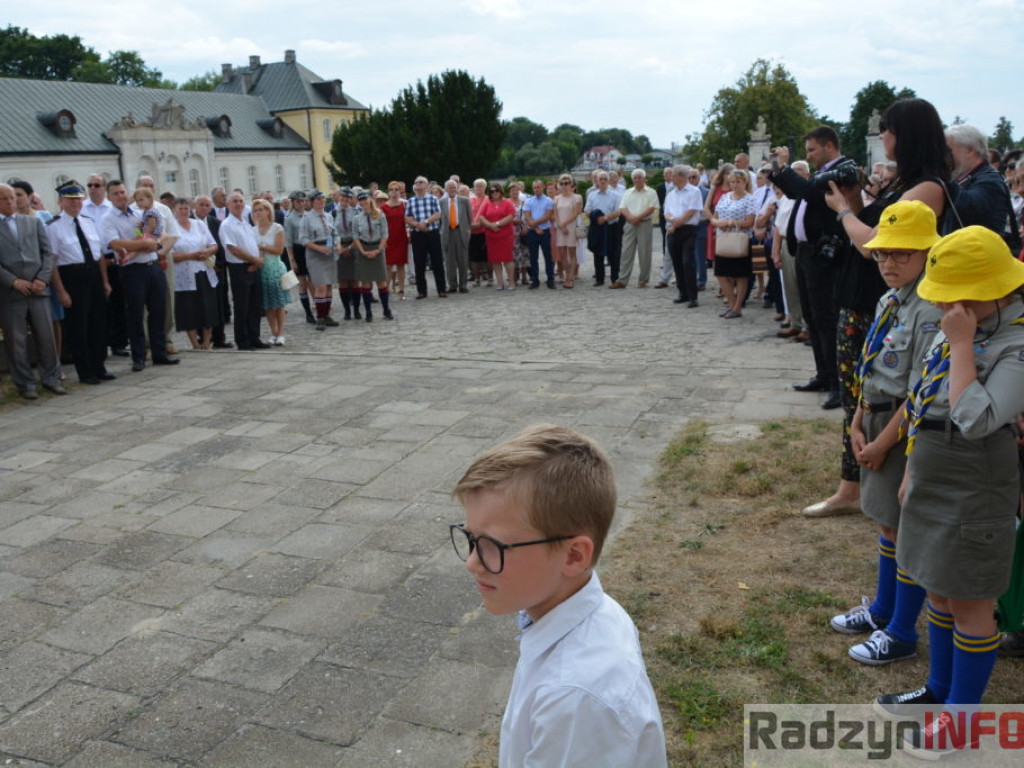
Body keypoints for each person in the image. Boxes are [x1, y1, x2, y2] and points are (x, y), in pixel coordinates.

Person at [871, 227, 1024, 759]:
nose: (945, 305)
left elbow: (976, 416)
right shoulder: (964, 320)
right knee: (936, 585)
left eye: (956, 294)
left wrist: (960, 344)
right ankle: (938, 691)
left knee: (969, 599)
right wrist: (914, 464)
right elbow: (922, 394)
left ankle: (961, 721)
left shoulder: (1014, 341)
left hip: (975, 476)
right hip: (933, 465)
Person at [450, 424, 668, 767]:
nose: (472, 563)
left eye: (491, 545)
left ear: (573, 556)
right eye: (470, 538)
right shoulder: (589, 613)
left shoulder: (575, 700)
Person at [816, 98, 949, 519]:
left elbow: (873, 239)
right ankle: (856, 481)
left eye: (887, 130)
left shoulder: (927, 185)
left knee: (875, 393)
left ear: (905, 134)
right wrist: (856, 200)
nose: (883, 138)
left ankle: (860, 484)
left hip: (891, 301)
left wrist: (841, 212)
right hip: (872, 295)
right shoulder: (904, 181)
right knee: (858, 393)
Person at [826, 201, 942, 669]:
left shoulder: (930, 308)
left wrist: (881, 440)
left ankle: (900, 631)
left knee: (905, 528)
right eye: (882, 255)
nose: (889, 263)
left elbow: (919, 388)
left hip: (900, 428)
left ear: (927, 254)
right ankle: (883, 608)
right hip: (873, 417)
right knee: (887, 523)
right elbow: (871, 365)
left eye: (902, 255)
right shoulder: (888, 299)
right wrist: (856, 421)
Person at [770, 127, 854, 412]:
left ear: (829, 146)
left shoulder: (843, 169)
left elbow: (807, 192)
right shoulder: (825, 171)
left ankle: (837, 384)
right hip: (806, 254)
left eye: (812, 150)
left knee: (826, 319)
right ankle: (823, 374)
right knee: (813, 318)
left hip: (824, 257)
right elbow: (800, 192)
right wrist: (776, 167)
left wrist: (783, 166)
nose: (809, 156)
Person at [101, 180, 180, 370]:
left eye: (122, 192)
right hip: (132, 270)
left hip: (153, 266)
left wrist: (150, 243)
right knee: (135, 314)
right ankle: (138, 357)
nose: (120, 196)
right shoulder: (108, 218)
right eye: (115, 193)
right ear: (109, 197)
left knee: (158, 311)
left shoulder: (138, 213)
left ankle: (159, 353)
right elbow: (116, 244)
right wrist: (144, 244)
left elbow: (151, 235)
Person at [46, 180, 113, 385]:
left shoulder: (88, 222)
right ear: (61, 201)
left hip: (93, 275)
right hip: (72, 277)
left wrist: (105, 281)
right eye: (70, 199)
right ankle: (85, 371)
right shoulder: (54, 226)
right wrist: (61, 291)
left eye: (78, 199)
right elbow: (53, 263)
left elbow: (99, 255)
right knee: (79, 327)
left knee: (98, 324)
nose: (75, 203)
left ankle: (99, 366)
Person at [0, 183, 64, 398]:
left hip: (38, 290)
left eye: (12, 197)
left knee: (46, 336)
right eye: (4, 199)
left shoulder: (32, 222)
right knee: (16, 341)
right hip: (11, 293)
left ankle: (51, 378)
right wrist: (13, 281)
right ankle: (25, 384)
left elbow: (47, 253)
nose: (10, 202)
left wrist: (42, 279)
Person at [219, 191, 269, 350]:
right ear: (228, 204)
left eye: (241, 201)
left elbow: (256, 244)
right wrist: (254, 260)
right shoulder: (227, 225)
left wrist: (258, 260)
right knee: (242, 305)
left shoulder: (246, 223)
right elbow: (234, 249)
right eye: (235, 201)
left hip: (253, 267)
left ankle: (255, 336)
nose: (239, 204)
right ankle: (242, 339)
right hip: (239, 268)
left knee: (255, 304)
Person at [169, 197, 220, 351]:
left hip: (203, 270)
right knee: (188, 309)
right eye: (180, 208)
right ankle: (195, 343)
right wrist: (189, 256)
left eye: (186, 208)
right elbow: (171, 255)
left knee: (207, 307)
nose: (184, 211)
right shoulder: (172, 229)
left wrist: (207, 251)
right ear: (175, 211)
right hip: (184, 275)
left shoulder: (199, 224)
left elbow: (213, 244)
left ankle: (206, 341)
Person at [710, 170, 756, 319]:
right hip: (723, 239)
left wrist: (730, 223)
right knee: (721, 274)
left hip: (739, 240)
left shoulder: (749, 199)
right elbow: (714, 217)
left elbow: (750, 222)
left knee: (740, 275)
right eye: (732, 182)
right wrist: (718, 223)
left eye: (738, 182)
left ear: (745, 182)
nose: (735, 185)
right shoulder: (724, 197)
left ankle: (738, 307)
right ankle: (731, 303)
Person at [194, 195, 233, 349]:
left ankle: (219, 338)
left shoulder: (216, 223)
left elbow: (222, 245)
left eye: (207, 205)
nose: (204, 208)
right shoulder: (189, 223)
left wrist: (219, 265)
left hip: (216, 269)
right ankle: (202, 337)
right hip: (197, 269)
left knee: (219, 303)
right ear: (195, 206)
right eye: (201, 205)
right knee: (201, 304)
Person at [610, 169, 658, 289]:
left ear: (644, 178)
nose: (637, 179)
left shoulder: (651, 192)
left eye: (640, 177)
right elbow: (623, 208)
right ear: (632, 180)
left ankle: (643, 279)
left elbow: (651, 208)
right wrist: (631, 218)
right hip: (630, 224)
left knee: (644, 253)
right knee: (626, 252)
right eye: (635, 178)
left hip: (644, 223)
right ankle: (622, 280)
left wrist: (638, 218)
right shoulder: (628, 192)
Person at [663, 164, 703, 308]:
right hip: (673, 230)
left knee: (687, 263)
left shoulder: (694, 191)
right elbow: (666, 212)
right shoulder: (671, 194)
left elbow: (691, 211)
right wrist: (673, 221)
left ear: (681, 176)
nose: (671, 178)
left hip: (688, 230)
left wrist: (676, 222)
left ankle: (693, 296)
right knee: (677, 263)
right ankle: (682, 293)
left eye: (673, 175)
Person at [301, 189, 339, 329]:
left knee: (329, 285)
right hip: (315, 253)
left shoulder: (328, 216)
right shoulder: (307, 218)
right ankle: (320, 317)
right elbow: (303, 239)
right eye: (318, 199)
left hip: (328, 253)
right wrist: (319, 249)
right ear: (312, 202)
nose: (322, 201)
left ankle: (327, 315)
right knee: (320, 285)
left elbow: (333, 233)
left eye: (323, 199)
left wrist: (332, 246)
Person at [252, 199, 289, 345]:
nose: (258, 213)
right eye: (255, 211)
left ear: (268, 211)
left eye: (261, 209)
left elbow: (279, 250)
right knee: (267, 304)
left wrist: (262, 246)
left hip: (275, 269)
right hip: (261, 269)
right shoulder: (252, 230)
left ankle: (281, 332)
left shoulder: (277, 228)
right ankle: (273, 331)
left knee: (279, 303)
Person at [405, 176, 447, 299]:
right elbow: (407, 218)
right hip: (417, 234)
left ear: (427, 185)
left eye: (421, 182)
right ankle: (422, 291)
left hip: (432, 232)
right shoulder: (410, 201)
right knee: (419, 263)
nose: (418, 184)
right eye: (416, 182)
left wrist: (426, 222)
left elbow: (438, 214)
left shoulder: (433, 199)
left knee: (437, 262)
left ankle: (441, 290)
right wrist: (418, 225)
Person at [353, 190, 392, 321]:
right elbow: (355, 237)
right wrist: (362, 251)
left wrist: (378, 250)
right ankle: (368, 312)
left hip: (377, 248)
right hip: (363, 249)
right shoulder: (357, 218)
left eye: (365, 199)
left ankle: (386, 310)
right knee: (365, 282)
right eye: (360, 200)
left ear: (370, 199)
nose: (363, 202)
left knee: (381, 281)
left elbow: (385, 234)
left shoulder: (380, 215)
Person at [585, 171, 622, 287]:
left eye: (604, 179)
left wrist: (605, 218)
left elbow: (618, 211)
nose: (602, 181)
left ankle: (615, 278)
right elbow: (586, 210)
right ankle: (599, 278)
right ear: (597, 181)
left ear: (609, 181)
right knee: (597, 253)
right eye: (600, 179)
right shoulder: (592, 195)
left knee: (614, 253)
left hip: (611, 227)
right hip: (597, 227)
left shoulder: (616, 195)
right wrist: (595, 216)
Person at [283, 190, 314, 324]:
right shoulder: (290, 219)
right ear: (293, 203)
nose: (301, 204)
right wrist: (292, 259)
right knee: (303, 283)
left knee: (313, 280)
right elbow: (288, 241)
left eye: (302, 201)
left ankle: (318, 306)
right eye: (298, 201)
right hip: (298, 250)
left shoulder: (309, 215)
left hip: (310, 249)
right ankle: (308, 313)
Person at [479, 183, 516, 290]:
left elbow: (511, 216)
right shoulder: (487, 203)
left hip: (505, 235)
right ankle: (500, 283)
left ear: (501, 191)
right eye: (491, 191)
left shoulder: (507, 202)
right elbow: (481, 216)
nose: (494, 193)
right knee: (495, 260)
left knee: (508, 259)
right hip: (491, 236)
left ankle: (511, 282)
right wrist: (490, 225)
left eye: (496, 191)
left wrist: (497, 224)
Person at [522, 179, 555, 290]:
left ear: (543, 187)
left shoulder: (549, 201)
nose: (536, 189)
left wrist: (535, 223)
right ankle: (535, 280)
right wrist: (535, 228)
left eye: (538, 187)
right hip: (533, 232)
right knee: (533, 257)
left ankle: (550, 280)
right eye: (534, 187)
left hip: (545, 231)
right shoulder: (528, 201)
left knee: (548, 257)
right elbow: (527, 216)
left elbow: (548, 216)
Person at [334, 187, 362, 320]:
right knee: (343, 281)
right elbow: (332, 233)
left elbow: (358, 232)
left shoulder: (356, 212)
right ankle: (347, 311)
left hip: (354, 245)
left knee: (355, 280)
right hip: (339, 247)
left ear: (351, 199)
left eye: (347, 198)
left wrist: (351, 247)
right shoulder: (333, 213)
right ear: (339, 198)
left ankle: (356, 310)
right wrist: (339, 248)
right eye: (342, 198)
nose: (344, 200)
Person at [440, 179, 471, 294]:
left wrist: (468, 231)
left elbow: (469, 217)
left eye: (454, 187)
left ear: (457, 189)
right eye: (450, 188)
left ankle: (463, 285)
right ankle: (452, 285)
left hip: (460, 231)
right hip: (447, 232)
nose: (452, 190)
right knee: (449, 261)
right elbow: (439, 220)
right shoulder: (441, 202)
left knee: (463, 260)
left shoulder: (464, 201)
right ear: (446, 189)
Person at [552, 174, 582, 289]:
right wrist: (560, 225)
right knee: (562, 253)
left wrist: (563, 224)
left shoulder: (577, 197)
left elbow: (576, 213)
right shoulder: (556, 198)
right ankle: (567, 275)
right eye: (561, 183)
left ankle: (570, 278)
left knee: (572, 253)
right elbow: (555, 213)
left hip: (571, 227)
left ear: (571, 184)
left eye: (566, 183)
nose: (564, 186)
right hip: (560, 228)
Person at [383, 181, 410, 297]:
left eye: (396, 189)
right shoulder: (383, 207)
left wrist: (409, 232)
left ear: (400, 191)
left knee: (401, 264)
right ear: (388, 192)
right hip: (388, 238)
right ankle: (385, 290)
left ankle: (401, 289)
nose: (394, 192)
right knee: (388, 265)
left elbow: (408, 221)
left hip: (401, 237)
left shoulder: (404, 205)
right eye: (391, 190)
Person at [468, 179, 489, 287]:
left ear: (485, 187)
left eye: (480, 186)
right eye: (476, 186)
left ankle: (490, 278)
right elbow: (466, 214)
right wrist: (469, 224)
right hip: (472, 232)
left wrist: (481, 223)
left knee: (488, 256)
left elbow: (490, 214)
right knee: (474, 257)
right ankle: (477, 279)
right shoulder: (470, 200)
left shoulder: (488, 200)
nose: (478, 188)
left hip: (485, 231)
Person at [508, 182, 530, 286]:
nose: (515, 192)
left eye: (517, 190)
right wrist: (512, 220)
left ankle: (524, 276)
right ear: (509, 192)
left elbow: (529, 216)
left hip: (524, 230)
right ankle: (515, 276)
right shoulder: (507, 202)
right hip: (511, 231)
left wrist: (526, 227)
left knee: (525, 252)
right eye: (513, 190)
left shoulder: (524, 202)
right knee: (514, 254)